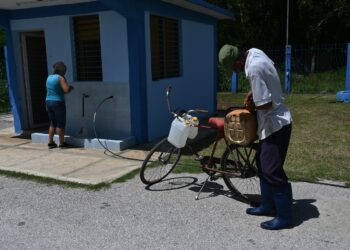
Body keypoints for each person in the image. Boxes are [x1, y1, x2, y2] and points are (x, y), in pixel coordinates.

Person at [218, 45, 293, 230]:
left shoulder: (253, 68)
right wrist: (254, 92)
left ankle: (285, 217)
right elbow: (270, 76)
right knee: (261, 162)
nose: (236, 72)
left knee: (272, 170)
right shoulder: (256, 53)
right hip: (272, 124)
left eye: (234, 69)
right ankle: (267, 205)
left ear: (238, 62)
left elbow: (265, 103)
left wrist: (250, 107)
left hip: (275, 125)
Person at [45, 61, 74, 149]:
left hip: (48, 101)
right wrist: (70, 88)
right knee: (61, 123)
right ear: (62, 70)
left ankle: (50, 142)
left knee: (52, 123)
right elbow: (65, 90)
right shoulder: (60, 78)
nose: (65, 72)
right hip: (58, 102)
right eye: (64, 70)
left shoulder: (49, 77)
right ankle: (61, 143)